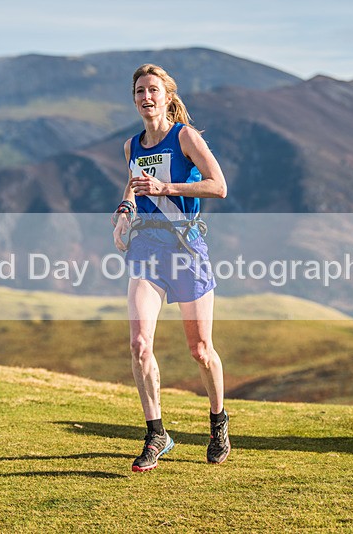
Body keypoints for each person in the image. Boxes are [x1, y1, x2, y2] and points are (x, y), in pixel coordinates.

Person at [112, 64, 230, 472]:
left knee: (200, 350)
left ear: (167, 96)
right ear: (134, 99)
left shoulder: (186, 137)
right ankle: (156, 434)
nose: (146, 97)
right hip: (147, 249)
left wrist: (167, 188)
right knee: (139, 344)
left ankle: (218, 421)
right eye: (139, 91)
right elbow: (133, 183)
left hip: (187, 249)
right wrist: (124, 211)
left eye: (153, 90)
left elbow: (218, 186)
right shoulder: (131, 146)